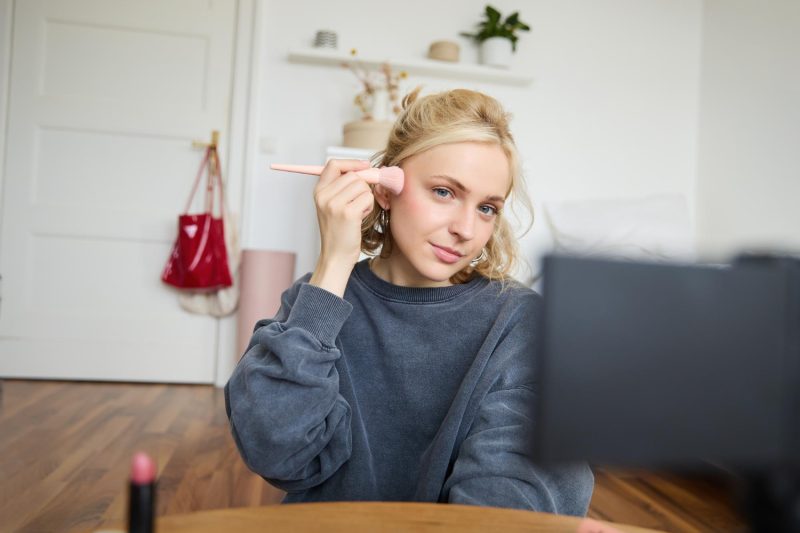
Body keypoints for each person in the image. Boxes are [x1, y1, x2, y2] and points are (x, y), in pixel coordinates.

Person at [225, 87, 594, 514]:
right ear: (384, 189)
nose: (466, 228)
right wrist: (333, 264)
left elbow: (514, 487)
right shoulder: (316, 301)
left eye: (487, 208)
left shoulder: (519, 321)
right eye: (444, 192)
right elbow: (277, 453)